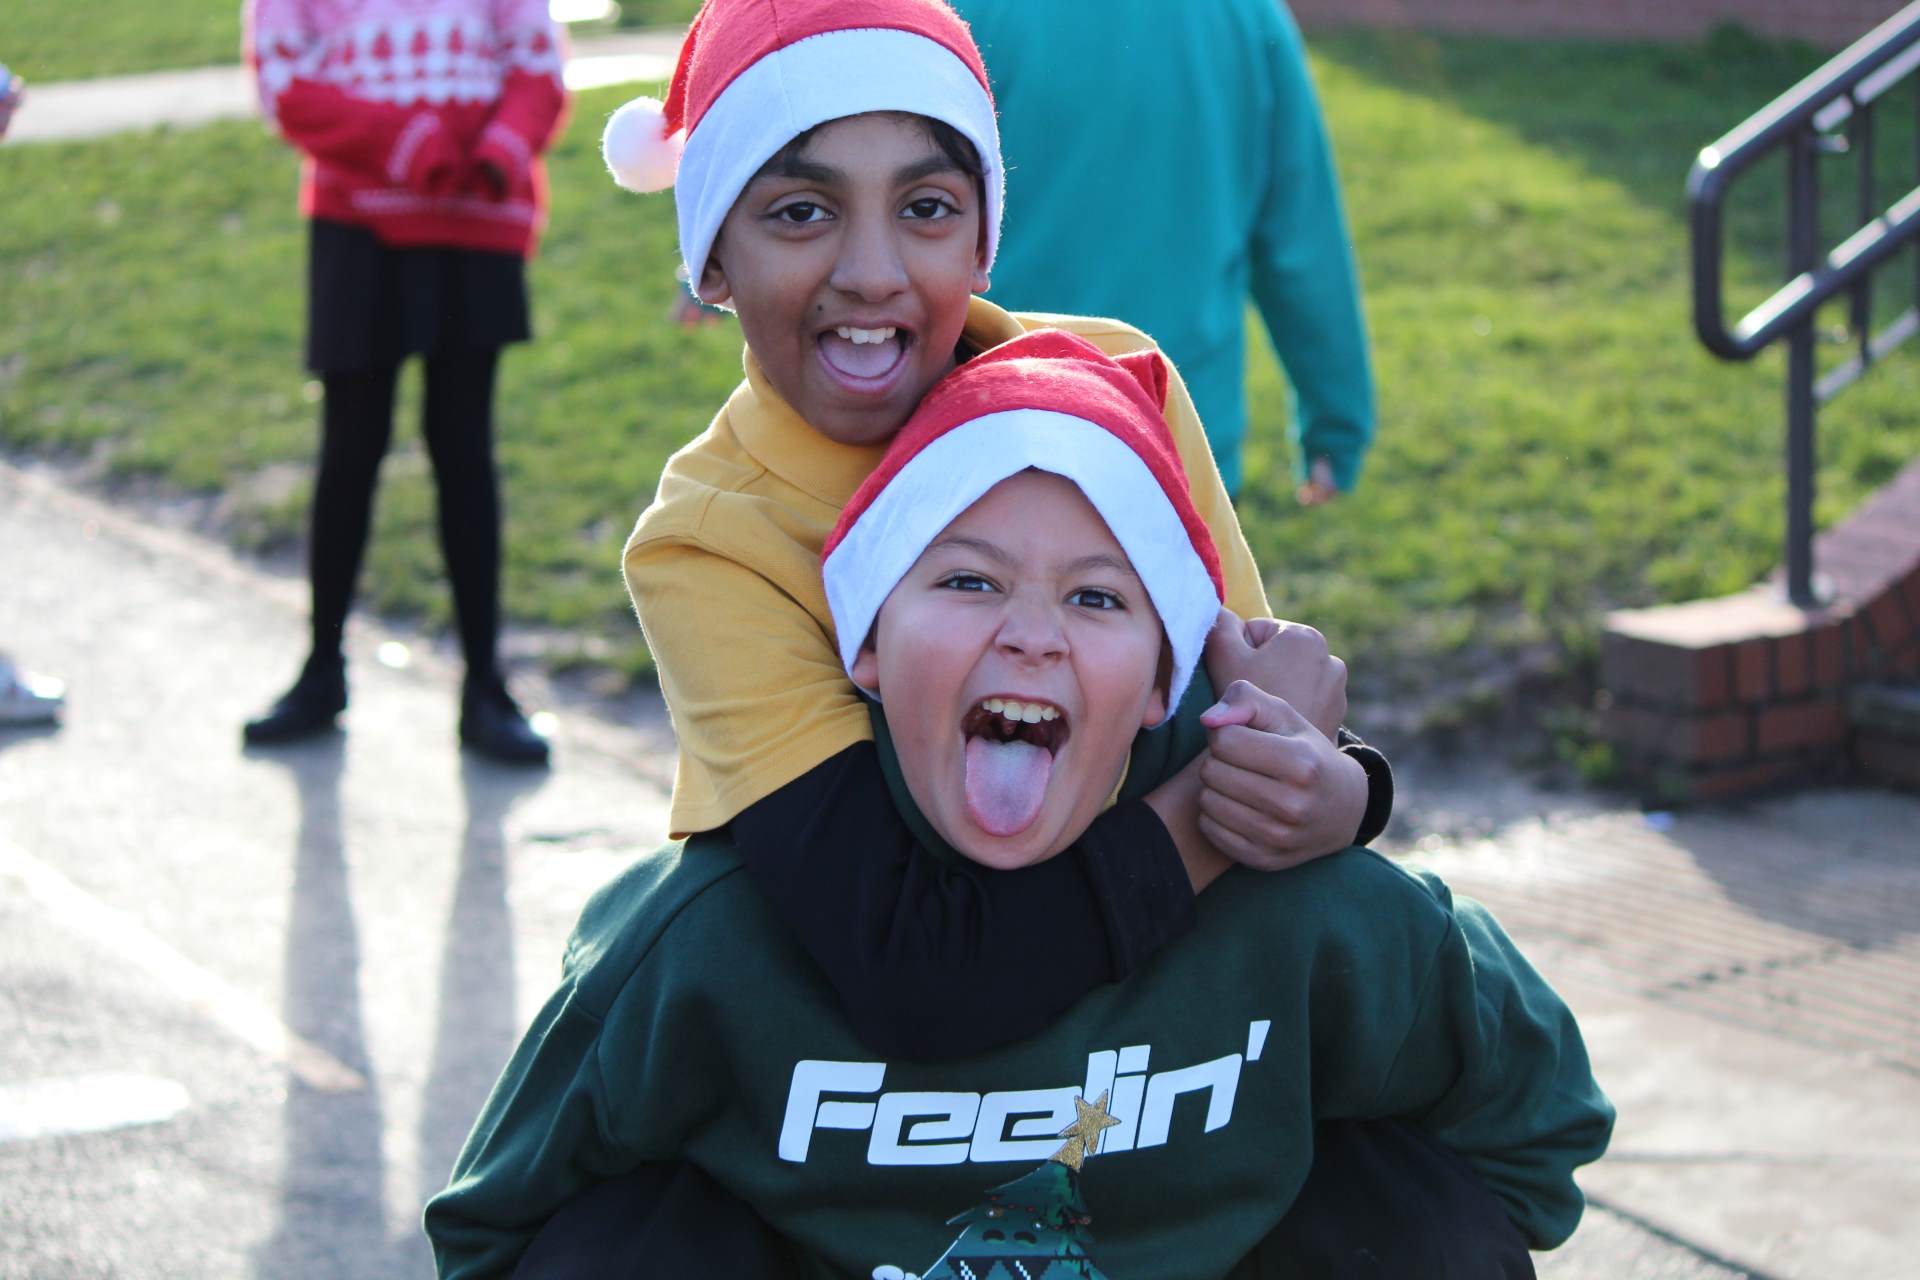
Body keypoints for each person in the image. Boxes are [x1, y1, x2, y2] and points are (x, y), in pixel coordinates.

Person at [424, 332, 1612, 1278]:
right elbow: (500, 1229)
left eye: (1098, 598)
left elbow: (1532, 1139)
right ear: (866, 645)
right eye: (967, 579)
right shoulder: (712, 936)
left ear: (1163, 678)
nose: (1032, 633)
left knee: (1416, 1220)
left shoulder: (1311, 910)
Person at [601, 0, 1387, 1070]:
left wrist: (1349, 790)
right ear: (710, 262)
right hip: (863, 1132)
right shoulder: (712, 542)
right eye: (800, 212)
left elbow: (1272, 732)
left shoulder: (1126, 393)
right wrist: (1224, 814)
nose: (872, 271)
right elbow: (918, 965)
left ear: (982, 239)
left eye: (926, 206)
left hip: (1170, 1093)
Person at [240, 0, 568, 764]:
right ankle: (321, 672)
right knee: (349, 450)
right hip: (358, 218)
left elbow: (537, 68)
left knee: (464, 449)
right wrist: (404, 141)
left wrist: (504, 144)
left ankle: (485, 688)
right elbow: (285, 82)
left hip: (476, 208)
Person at [952, 0, 1375, 502]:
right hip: (1182, 444)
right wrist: (1336, 424)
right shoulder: (1245, 14)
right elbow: (1301, 239)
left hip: (989, 435)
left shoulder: (955, 16)